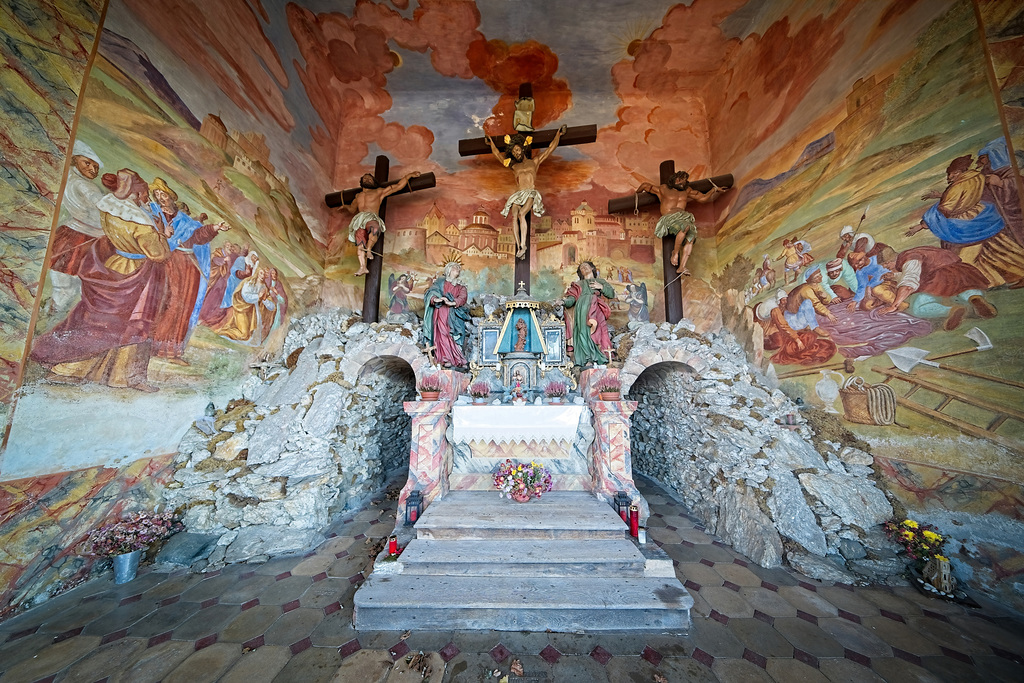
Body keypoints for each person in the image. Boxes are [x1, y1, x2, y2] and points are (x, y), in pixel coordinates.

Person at [31, 169, 170, 392]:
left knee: (101, 320)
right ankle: (124, 377)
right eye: (144, 194)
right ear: (135, 194)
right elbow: (159, 255)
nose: (147, 199)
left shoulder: (110, 210)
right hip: (138, 273)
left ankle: (71, 370)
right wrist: (162, 234)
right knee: (135, 322)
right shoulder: (142, 225)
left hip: (116, 265)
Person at [146, 178, 230, 364]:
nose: (161, 198)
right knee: (162, 302)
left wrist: (215, 227)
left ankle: (171, 351)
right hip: (163, 263)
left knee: (182, 306)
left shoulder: (184, 220)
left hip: (186, 267)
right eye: (157, 195)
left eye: (164, 194)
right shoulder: (154, 214)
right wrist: (162, 234)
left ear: (171, 196)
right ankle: (151, 346)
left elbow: (198, 236)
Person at [487, 126, 567, 259]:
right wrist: (491, 144)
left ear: (522, 148)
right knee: (514, 216)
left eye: (517, 150)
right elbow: (497, 156)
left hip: (530, 192)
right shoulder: (514, 166)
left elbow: (549, 150)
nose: (516, 153)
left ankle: (524, 244)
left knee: (522, 214)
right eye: (513, 152)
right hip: (518, 194)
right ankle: (519, 246)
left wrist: (558, 135)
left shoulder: (534, 162)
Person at [878, 245, 995, 331]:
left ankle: (952, 310)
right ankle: (974, 297)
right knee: (962, 288)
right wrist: (894, 276)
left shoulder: (909, 259)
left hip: (937, 278)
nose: (887, 268)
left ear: (891, 260)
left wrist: (894, 305)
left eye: (886, 265)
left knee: (917, 308)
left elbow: (909, 283)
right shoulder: (913, 251)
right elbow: (919, 271)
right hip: (959, 271)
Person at [50, 141, 106, 311]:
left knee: (67, 290)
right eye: (87, 163)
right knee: (71, 289)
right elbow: (103, 205)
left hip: (72, 235)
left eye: (96, 167)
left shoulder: (70, 179)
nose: (93, 170)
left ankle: (53, 313)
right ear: (74, 160)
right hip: (82, 238)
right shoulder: (84, 185)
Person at [638, 170, 726, 276]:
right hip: (669, 218)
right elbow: (645, 186)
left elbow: (702, 198)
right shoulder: (663, 189)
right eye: (680, 180)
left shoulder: (686, 191)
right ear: (674, 179)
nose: (681, 183)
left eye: (684, 181)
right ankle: (675, 253)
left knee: (692, 237)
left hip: (683, 217)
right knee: (686, 226)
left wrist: (714, 190)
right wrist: (636, 196)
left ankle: (682, 267)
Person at [341, 170, 421, 275]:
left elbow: (397, 186)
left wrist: (409, 176)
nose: (367, 179)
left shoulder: (379, 192)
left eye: (369, 178)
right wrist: (345, 206)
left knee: (374, 228)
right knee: (360, 243)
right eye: (365, 178)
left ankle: (369, 249)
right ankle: (362, 267)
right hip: (359, 220)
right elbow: (352, 209)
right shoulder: (358, 196)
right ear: (361, 182)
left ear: (374, 182)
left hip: (371, 216)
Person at [559, 260, 614, 366]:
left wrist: (601, 287)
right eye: (581, 268)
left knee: (599, 330)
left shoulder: (600, 281)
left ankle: (600, 356)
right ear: (580, 272)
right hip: (581, 310)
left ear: (593, 268)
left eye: (586, 266)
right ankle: (587, 358)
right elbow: (571, 300)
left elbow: (611, 294)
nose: (584, 268)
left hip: (596, 308)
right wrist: (563, 302)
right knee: (583, 332)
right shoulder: (578, 284)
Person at [422, 259, 471, 367]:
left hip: (453, 313)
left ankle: (456, 358)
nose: (457, 270)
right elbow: (431, 292)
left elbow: (463, 297)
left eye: (458, 269)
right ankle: (444, 358)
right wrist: (435, 299)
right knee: (441, 333)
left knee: (453, 334)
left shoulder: (460, 285)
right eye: (455, 268)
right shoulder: (440, 282)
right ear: (448, 270)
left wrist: (452, 302)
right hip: (440, 312)